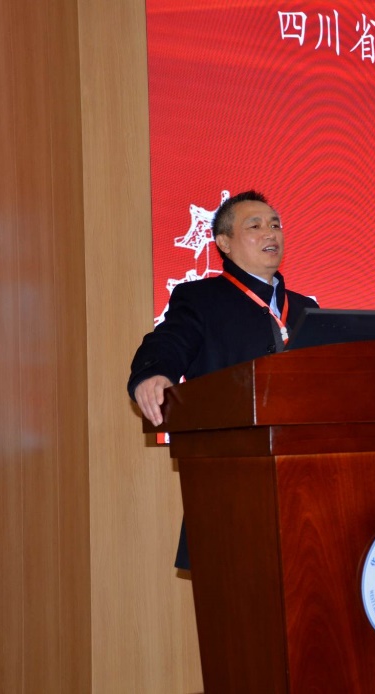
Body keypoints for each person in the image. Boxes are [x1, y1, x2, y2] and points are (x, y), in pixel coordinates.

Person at [128, 189, 318, 569]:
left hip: (303, 482)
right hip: (229, 479)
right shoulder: (200, 299)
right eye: (255, 226)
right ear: (224, 243)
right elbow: (169, 341)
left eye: (275, 225)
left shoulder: (304, 308)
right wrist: (153, 373)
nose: (271, 233)